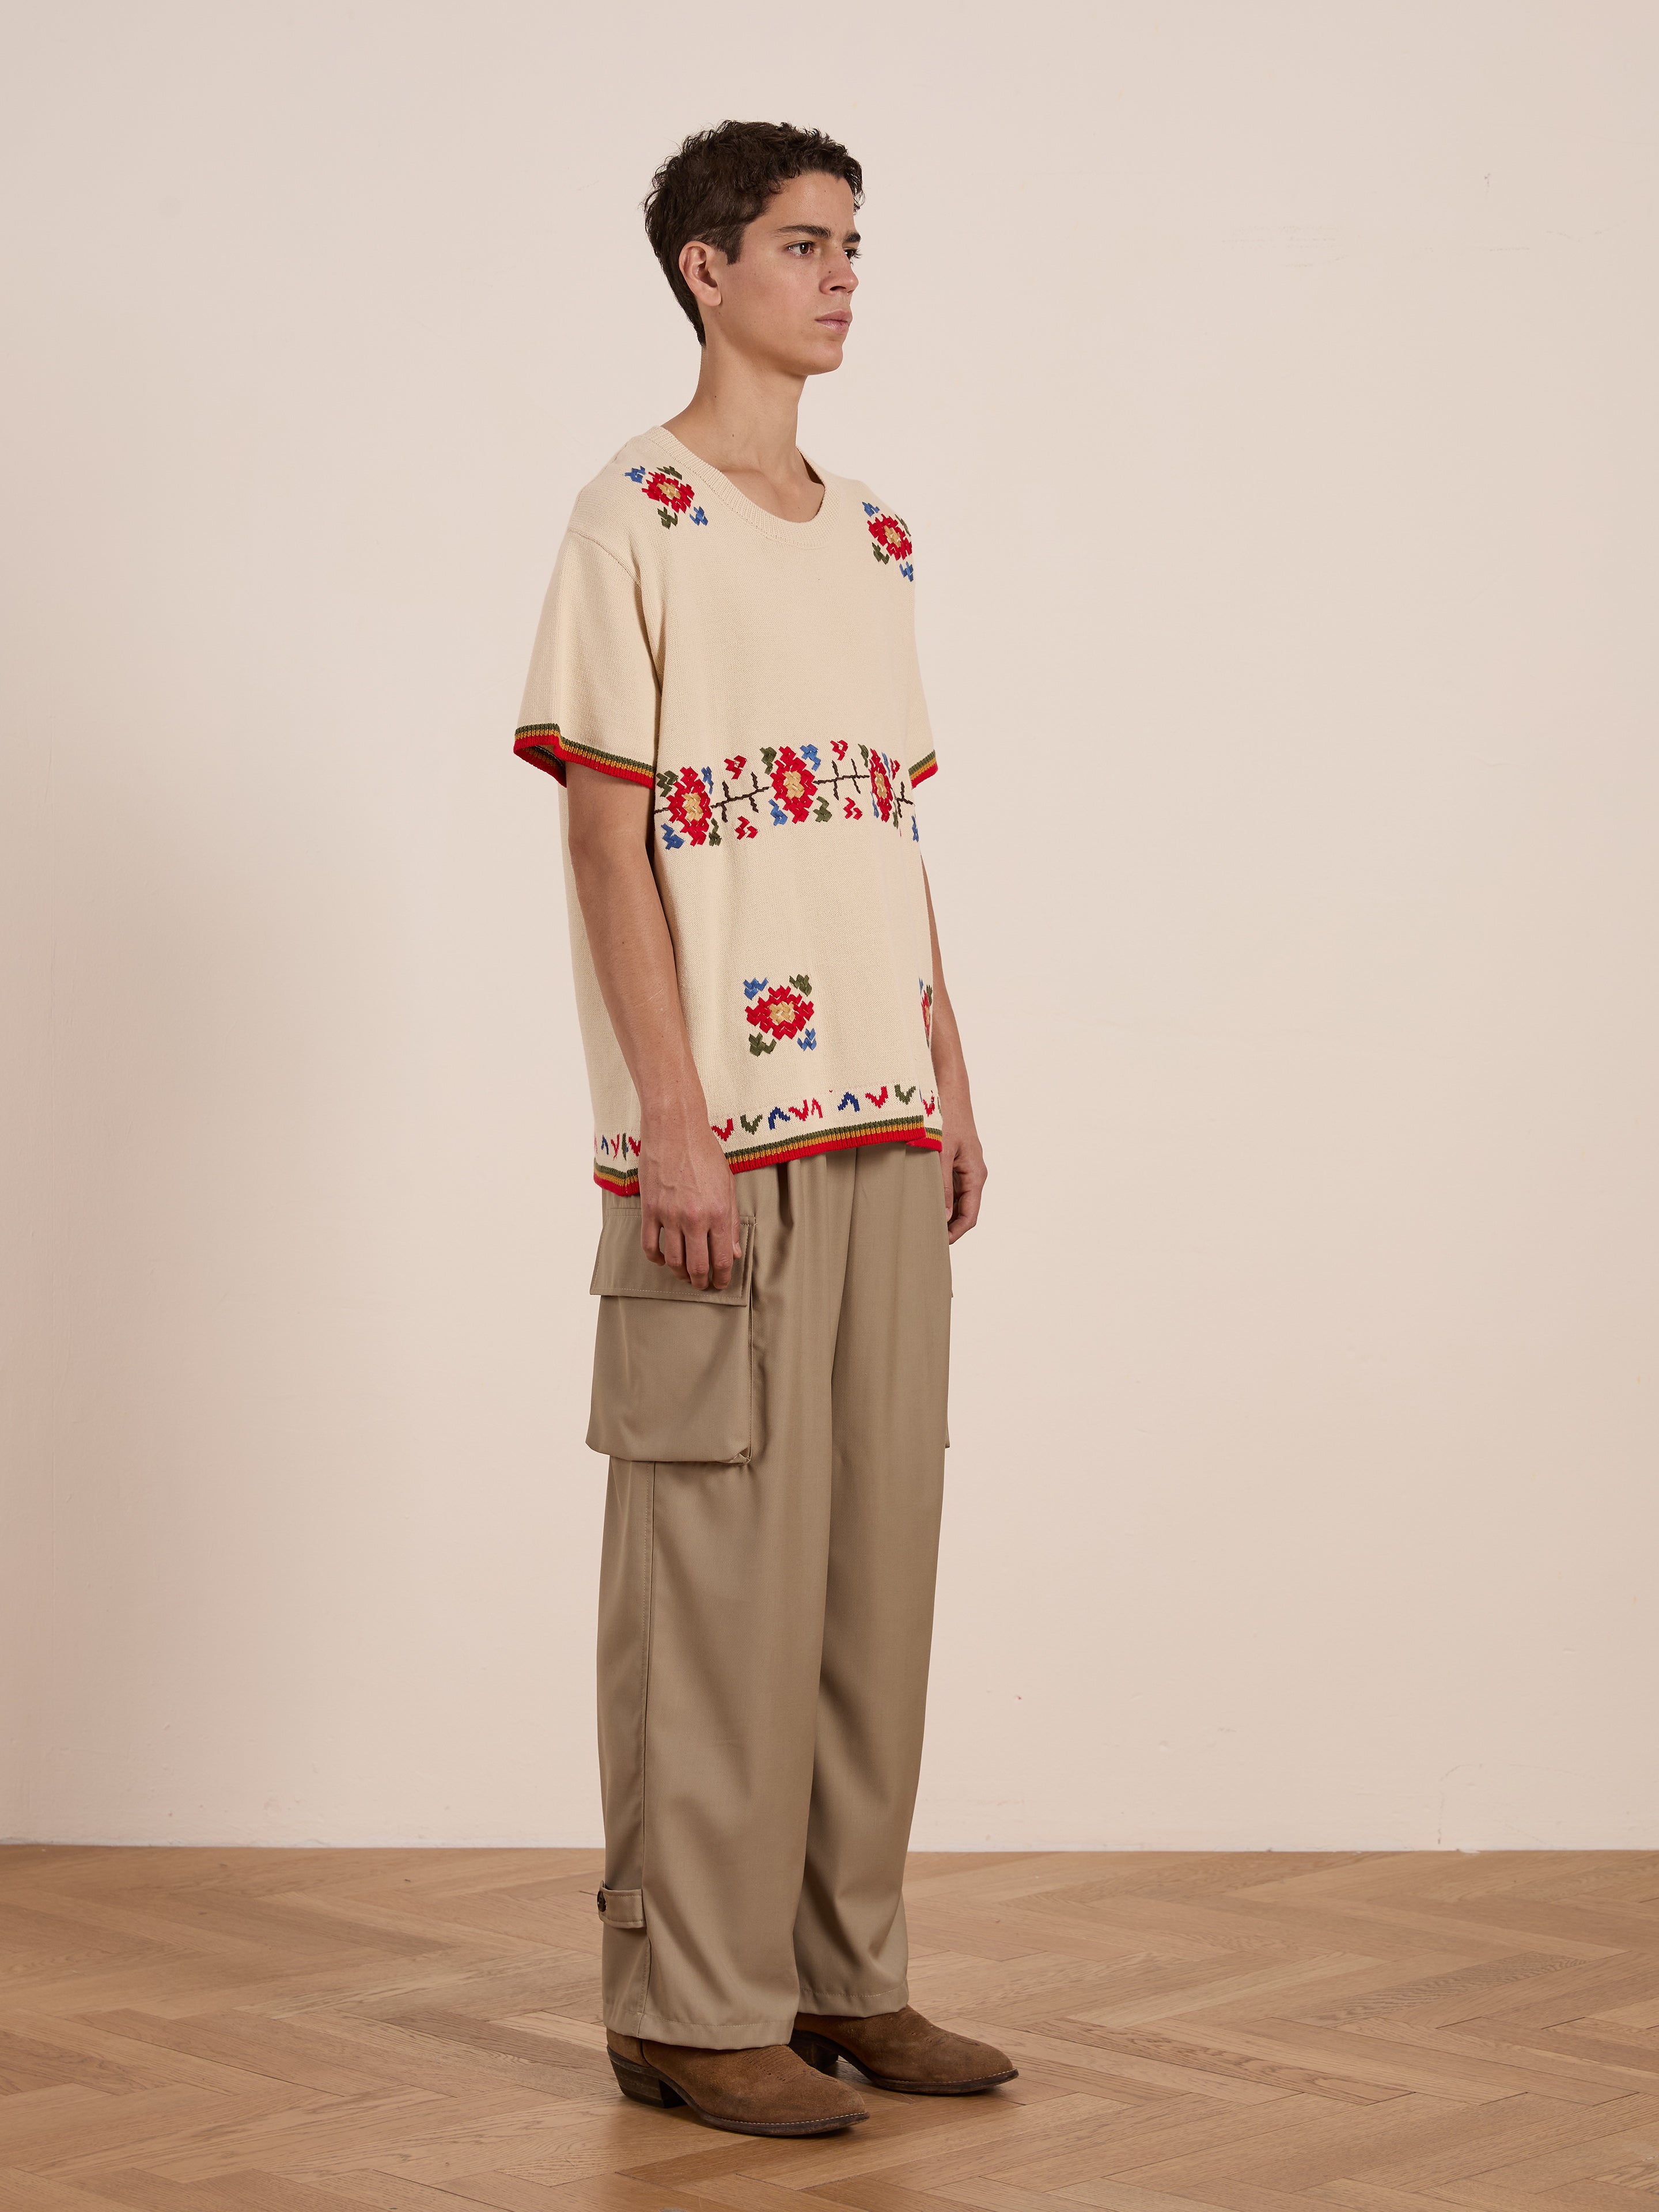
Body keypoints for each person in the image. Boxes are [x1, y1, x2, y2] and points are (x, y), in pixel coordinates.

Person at [513, 120, 1012, 2138]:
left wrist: (954, 1062)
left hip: (884, 1114)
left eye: (856, 246)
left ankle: (841, 1976)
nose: (843, 277)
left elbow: (888, 825)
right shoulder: (632, 514)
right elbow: (605, 835)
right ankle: (685, 2004)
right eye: (806, 245)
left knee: (871, 1562)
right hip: (726, 1137)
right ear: (707, 269)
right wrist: (675, 1121)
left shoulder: (878, 532)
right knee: (716, 1569)